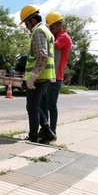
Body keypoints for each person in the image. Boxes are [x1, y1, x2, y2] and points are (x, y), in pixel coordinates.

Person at [19, 5, 56, 143]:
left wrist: (33, 76)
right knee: (33, 106)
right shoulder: (46, 31)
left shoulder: (39, 31)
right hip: (44, 76)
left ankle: (33, 137)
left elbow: (42, 56)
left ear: (33, 21)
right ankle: (46, 131)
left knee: (32, 108)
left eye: (27, 24)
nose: (27, 27)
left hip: (39, 77)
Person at [39, 11, 72, 142]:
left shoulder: (63, 37)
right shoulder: (57, 35)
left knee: (51, 105)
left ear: (59, 25)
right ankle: (45, 130)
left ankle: (52, 131)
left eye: (51, 27)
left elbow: (52, 46)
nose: (50, 29)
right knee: (43, 106)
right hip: (49, 76)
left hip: (56, 77)